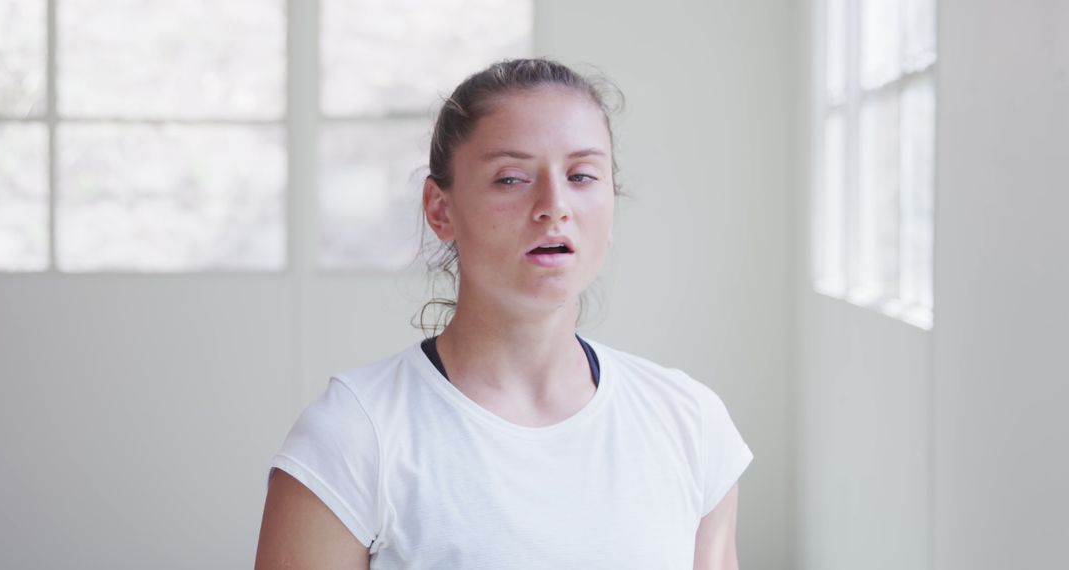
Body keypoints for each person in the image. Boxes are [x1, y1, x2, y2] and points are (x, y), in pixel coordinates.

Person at [255, 58, 753, 569]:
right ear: (440, 210)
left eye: (582, 175)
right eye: (512, 179)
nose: (554, 204)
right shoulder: (353, 436)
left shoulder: (691, 423)